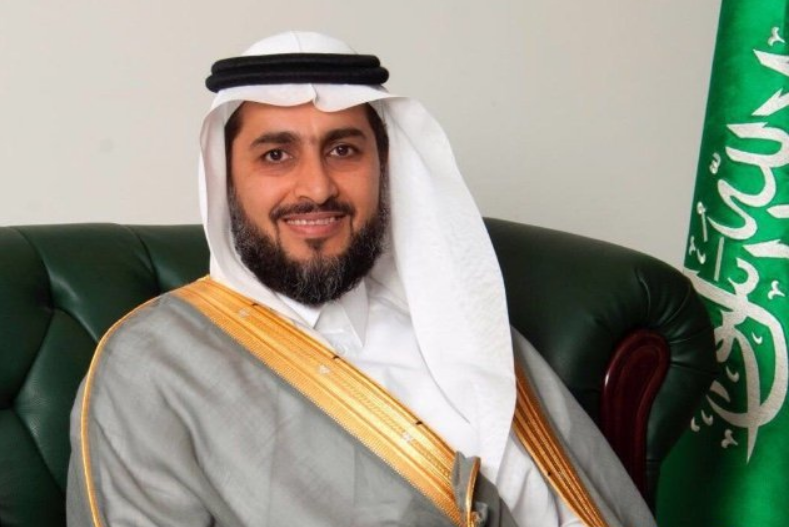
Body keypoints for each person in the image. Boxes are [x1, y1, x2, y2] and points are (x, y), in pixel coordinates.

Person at [66, 32, 655, 527]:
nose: (317, 187)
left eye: (343, 149)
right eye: (276, 155)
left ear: (383, 167)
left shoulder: (459, 322)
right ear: (226, 180)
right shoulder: (149, 367)